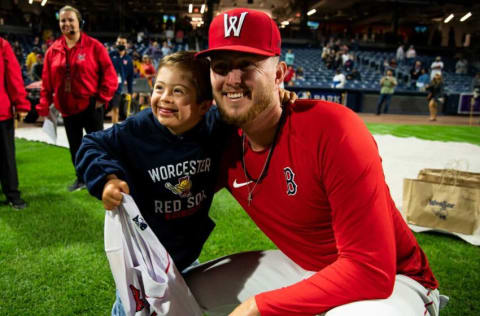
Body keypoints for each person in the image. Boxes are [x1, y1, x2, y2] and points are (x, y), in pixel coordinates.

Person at [185, 8, 444, 316]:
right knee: (180, 293)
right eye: (222, 66)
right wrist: (113, 177)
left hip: (395, 279)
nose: (233, 78)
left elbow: (371, 268)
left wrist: (259, 306)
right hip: (305, 265)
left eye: (248, 65)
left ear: (280, 75)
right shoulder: (222, 138)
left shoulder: (333, 128)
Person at [75, 50, 230, 316]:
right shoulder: (138, 129)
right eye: (160, 87)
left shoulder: (213, 126)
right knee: (132, 309)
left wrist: (280, 98)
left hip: (187, 254)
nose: (165, 98)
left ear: (205, 106)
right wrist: (107, 180)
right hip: (143, 259)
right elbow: (91, 144)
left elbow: (251, 117)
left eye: (178, 91)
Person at [36, 5, 117, 192]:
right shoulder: (52, 50)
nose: (67, 23)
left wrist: (101, 98)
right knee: (75, 147)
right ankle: (81, 178)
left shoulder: (94, 46)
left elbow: (110, 75)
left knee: (97, 145)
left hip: (91, 105)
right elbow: (46, 82)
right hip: (66, 107)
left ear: (79, 22)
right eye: (63, 20)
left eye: (70, 19)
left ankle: (103, 177)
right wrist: (44, 105)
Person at [0, 37, 30, 210]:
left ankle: (12, 194)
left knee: (6, 157)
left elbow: (13, 76)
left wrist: (21, 104)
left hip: (1, 112)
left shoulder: (2, 45)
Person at [109, 34, 134, 123]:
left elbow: (130, 77)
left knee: (116, 109)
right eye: (119, 42)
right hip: (106, 87)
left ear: (127, 45)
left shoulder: (129, 60)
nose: (121, 44)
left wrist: (130, 91)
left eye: (123, 43)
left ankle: (114, 130)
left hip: (117, 88)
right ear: (116, 43)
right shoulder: (110, 55)